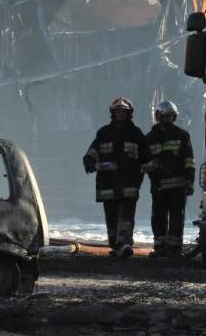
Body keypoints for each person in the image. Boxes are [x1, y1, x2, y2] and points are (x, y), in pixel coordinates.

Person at [83, 98, 156, 259]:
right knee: (111, 216)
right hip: (107, 182)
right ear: (113, 113)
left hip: (129, 182)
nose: (120, 114)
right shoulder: (104, 133)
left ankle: (124, 243)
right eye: (117, 111)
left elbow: (146, 157)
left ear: (129, 113)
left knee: (126, 215)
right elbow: (94, 149)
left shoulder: (136, 133)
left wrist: (155, 175)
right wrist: (89, 160)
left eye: (123, 111)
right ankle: (115, 245)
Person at [145, 100, 196, 259]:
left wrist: (190, 181)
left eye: (171, 117)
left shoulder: (182, 135)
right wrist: (155, 179)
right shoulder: (150, 138)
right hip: (159, 186)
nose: (169, 120)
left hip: (178, 186)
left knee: (177, 217)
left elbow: (189, 160)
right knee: (158, 217)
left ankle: (175, 249)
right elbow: (147, 163)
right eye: (166, 117)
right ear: (158, 117)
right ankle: (159, 248)